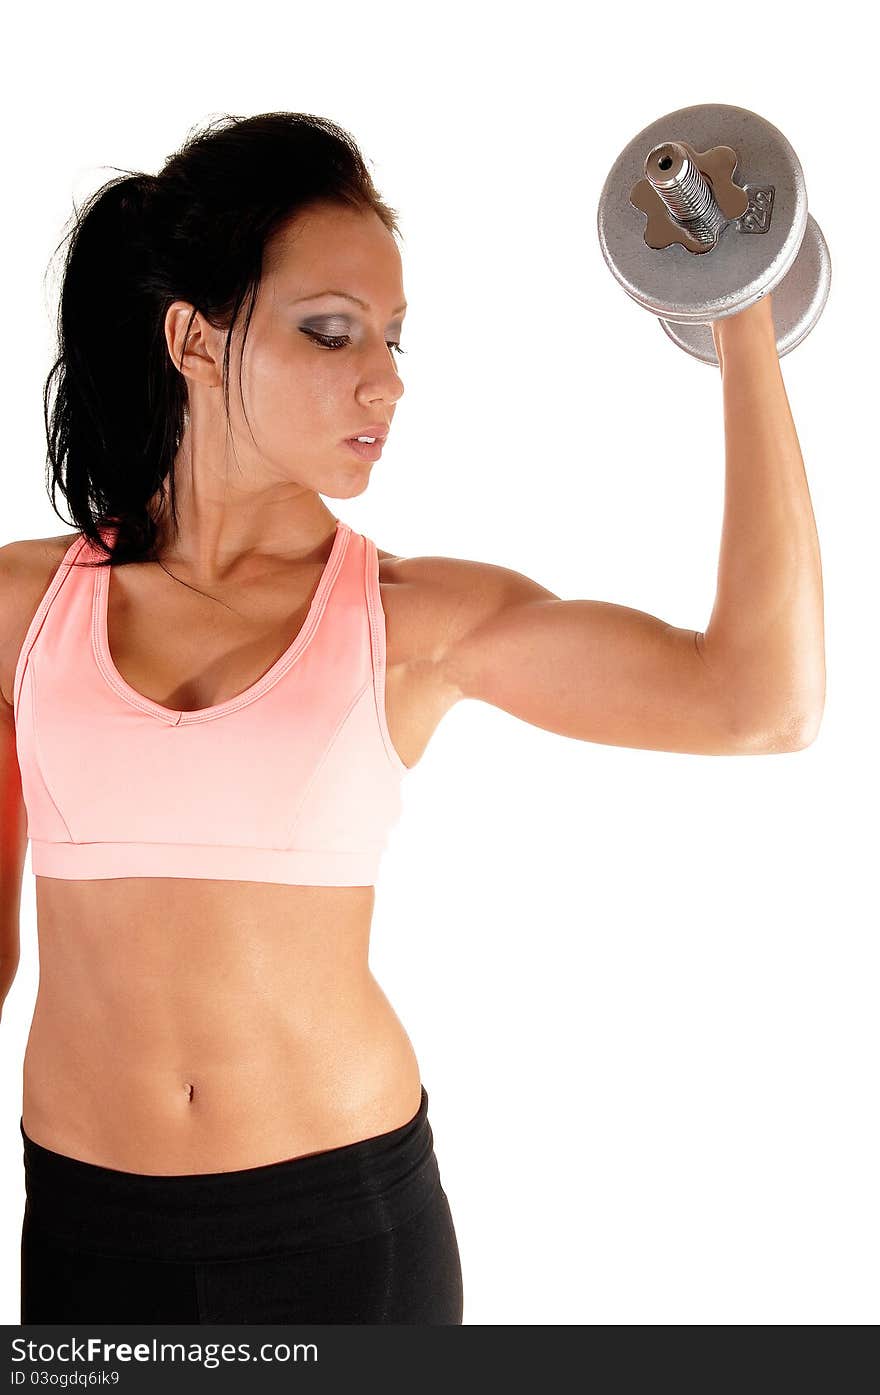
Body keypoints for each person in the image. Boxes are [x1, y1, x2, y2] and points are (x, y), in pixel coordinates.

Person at [0, 111, 824, 1325]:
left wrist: (738, 309)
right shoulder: (25, 611)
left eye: (392, 339)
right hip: (82, 1230)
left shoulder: (413, 620)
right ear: (194, 339)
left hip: (336, 1236)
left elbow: (758, 703)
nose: (386, 378)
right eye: (331, 333)